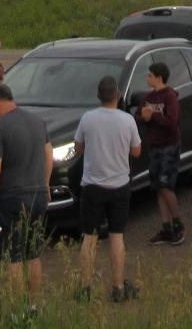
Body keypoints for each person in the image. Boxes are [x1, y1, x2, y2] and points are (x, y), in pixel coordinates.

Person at [0, 82, 52, 309]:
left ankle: (16, 311)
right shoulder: (37, 122)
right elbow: (49, 154)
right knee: (32, 253)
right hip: (38, 195)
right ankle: (33, 307)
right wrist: (45, 184)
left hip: (12, 199)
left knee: (13, 255)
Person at [72, 74, 142, 302]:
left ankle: (85, 287)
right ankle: (118, 287)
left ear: (98, 96)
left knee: (89, 237)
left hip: (92, 185)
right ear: (118, 95)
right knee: (117, 236)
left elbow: (78, 147)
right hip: (119, 185)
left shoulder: (88, 118)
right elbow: (137, 151)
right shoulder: (127, 120)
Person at [137, 60, 184, 245]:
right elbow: (138, 116)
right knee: (157, 187)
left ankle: (178, 225)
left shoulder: (170, 96)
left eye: (149, 75)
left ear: (159, 77)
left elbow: (172, 122)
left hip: (169, 146)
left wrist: (153, 116)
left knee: (166, 185)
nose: (147, 78)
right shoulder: (148, 97)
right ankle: (166, 228)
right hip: (154, 147)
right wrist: (145, 117)